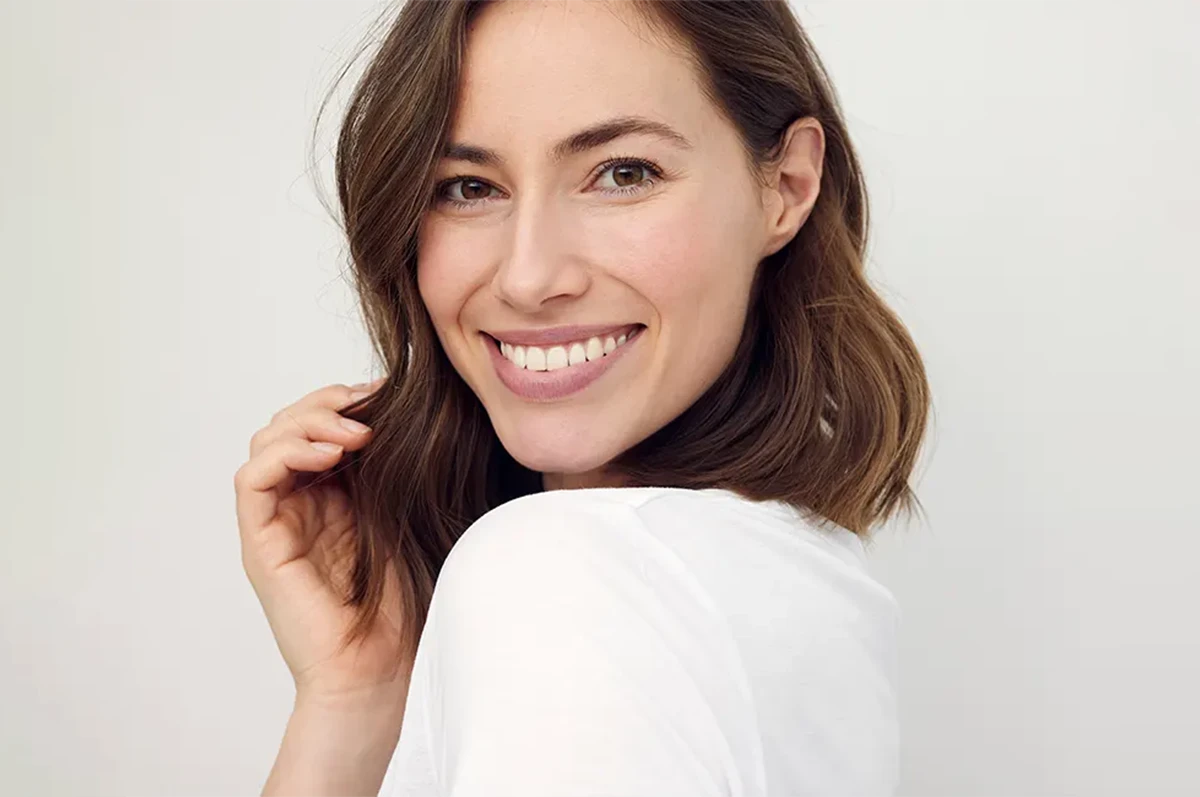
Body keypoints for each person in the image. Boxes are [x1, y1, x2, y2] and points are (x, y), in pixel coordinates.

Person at [233, 0, 930, 795]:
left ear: (788, 184)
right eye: (467, 187)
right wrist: (357, 698)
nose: (529, 277)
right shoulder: (797, 576)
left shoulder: (559, 578)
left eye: (623, 174)